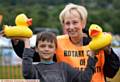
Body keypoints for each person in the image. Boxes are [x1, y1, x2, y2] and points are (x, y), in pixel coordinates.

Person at [5, 3, 119, 82]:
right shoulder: (58, 42)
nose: (71, 27)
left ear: (83, 23)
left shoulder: (98, 42)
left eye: (75, 22)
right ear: (63, 25)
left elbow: (111, 73)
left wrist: (109, 52)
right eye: (67, 23)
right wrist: (17, 41)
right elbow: (33, 55)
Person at [22, 31, 97, 82]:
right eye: (42, 46)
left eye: (50, 46)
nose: (46, 49)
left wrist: (92, 56)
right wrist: (26, 42)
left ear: (55, 50)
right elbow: (26, 73)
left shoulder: (64, 67)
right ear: (36, 49)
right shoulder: (34, 69)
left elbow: (84, 79)